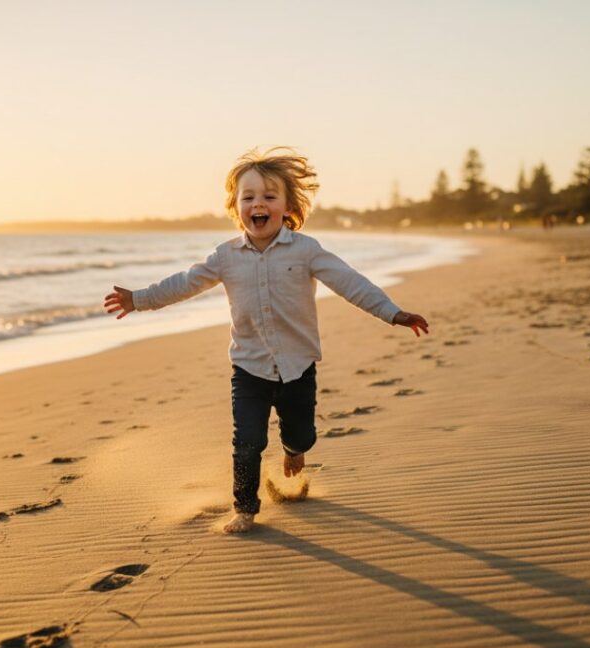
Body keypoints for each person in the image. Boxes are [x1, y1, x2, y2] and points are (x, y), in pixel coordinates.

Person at [103, 147, 429, 533]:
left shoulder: (306, 251)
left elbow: (349, 282)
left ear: (287, 206)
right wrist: (139, 299)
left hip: (298, 367)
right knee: (248, 441)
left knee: (301, 434)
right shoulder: (225, 257)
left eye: (269, 197)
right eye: (249, 197)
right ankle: (244, 508)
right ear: (235, 207)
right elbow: (184, 284)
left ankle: (294, 451)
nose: (259, 204)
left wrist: (392, 312)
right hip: (249, 368)